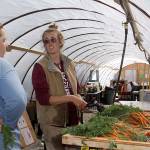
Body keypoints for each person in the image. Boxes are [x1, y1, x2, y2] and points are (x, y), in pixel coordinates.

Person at [32, 23, 87, 150]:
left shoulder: (69, 63)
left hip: (72, 120)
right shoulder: (40, 67)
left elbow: (76, 89)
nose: (49, 43)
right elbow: (44, 99)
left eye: (53, 40)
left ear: (60, 42)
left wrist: (79, 100)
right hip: (53, 123)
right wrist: (71, 98)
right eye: (46, 41)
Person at [0, 24, 27, 149]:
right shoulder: (3, 66)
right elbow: (18, 100)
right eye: (4, 40)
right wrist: (7, 123)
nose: (6, 45)